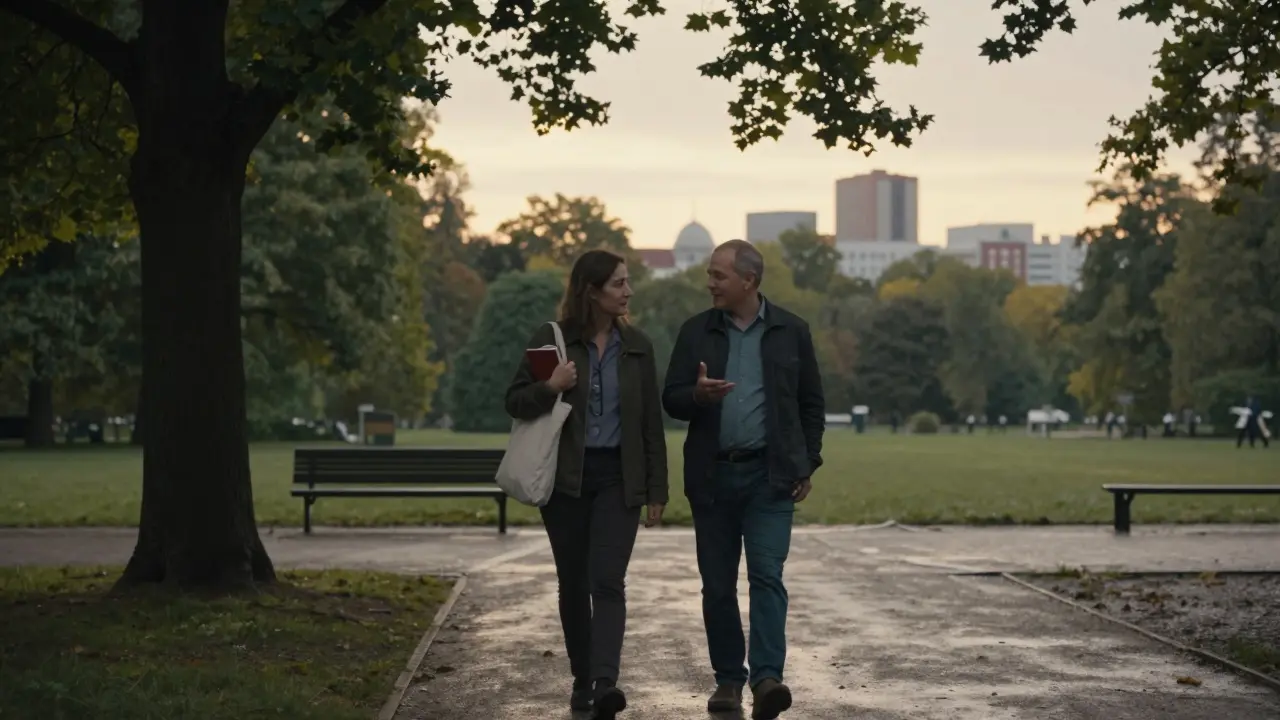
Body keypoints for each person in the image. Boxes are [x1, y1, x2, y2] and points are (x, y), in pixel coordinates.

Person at [661, 239, 825, 720]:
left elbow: (811, 404)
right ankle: (728, 681)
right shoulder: (696, 331)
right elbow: (670, 398)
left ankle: (768, 678)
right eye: (710, 274)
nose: (709, 282)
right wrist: (696, 394)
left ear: (748, 281)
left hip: (770, 479)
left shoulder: (791, 331)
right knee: (716, 585)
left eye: (718, 275)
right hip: (712, 478)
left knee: (766, 578)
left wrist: (807, 461)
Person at [504, 249, 668, 719]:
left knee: (608, 580)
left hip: (619, 478)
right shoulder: (552, 341)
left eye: (628, 282)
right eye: (619, 283)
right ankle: (582, 680)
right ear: (591, 291)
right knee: (574, 583)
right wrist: (550, 386)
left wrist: (656, 489)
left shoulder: (637, 346)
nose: (628, 291)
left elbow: (649, 424)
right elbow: (515, 401)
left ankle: (604, 682)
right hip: (566, 482)